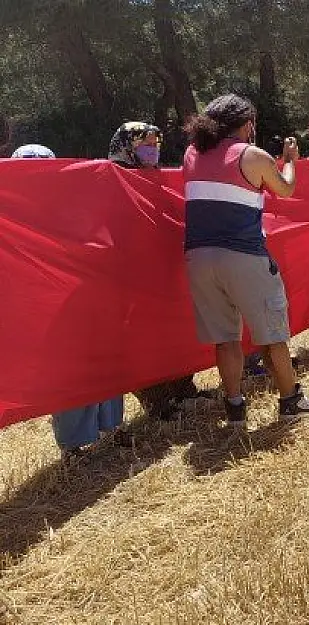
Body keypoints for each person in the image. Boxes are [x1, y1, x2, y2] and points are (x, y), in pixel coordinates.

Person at [182, 94, 309, 427]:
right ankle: (290, 400)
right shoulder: (253, 155)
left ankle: (233, 408)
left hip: (198, 256)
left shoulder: (192, 153)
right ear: (248, 125)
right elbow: (285, 189)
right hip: (244, 255)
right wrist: (290, 159)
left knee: (225, 338)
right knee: (273, 333)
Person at [10, 144, 131, 457]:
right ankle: (74, 444)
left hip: (87, 300)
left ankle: (111, 426)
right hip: (47, 311)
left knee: (103, 360)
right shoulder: (10, 215)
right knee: (68, 372)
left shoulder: (75, 205)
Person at [108, 122, 220, 421]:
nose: (153, 150)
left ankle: (184, 389)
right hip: (132, 278)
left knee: (174, 329)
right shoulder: (112, 181)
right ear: (128, 146)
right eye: (145, 144)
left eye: (156, 143)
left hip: (165, 271)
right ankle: (158, 403)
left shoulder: (157, 178)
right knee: (145, 340)